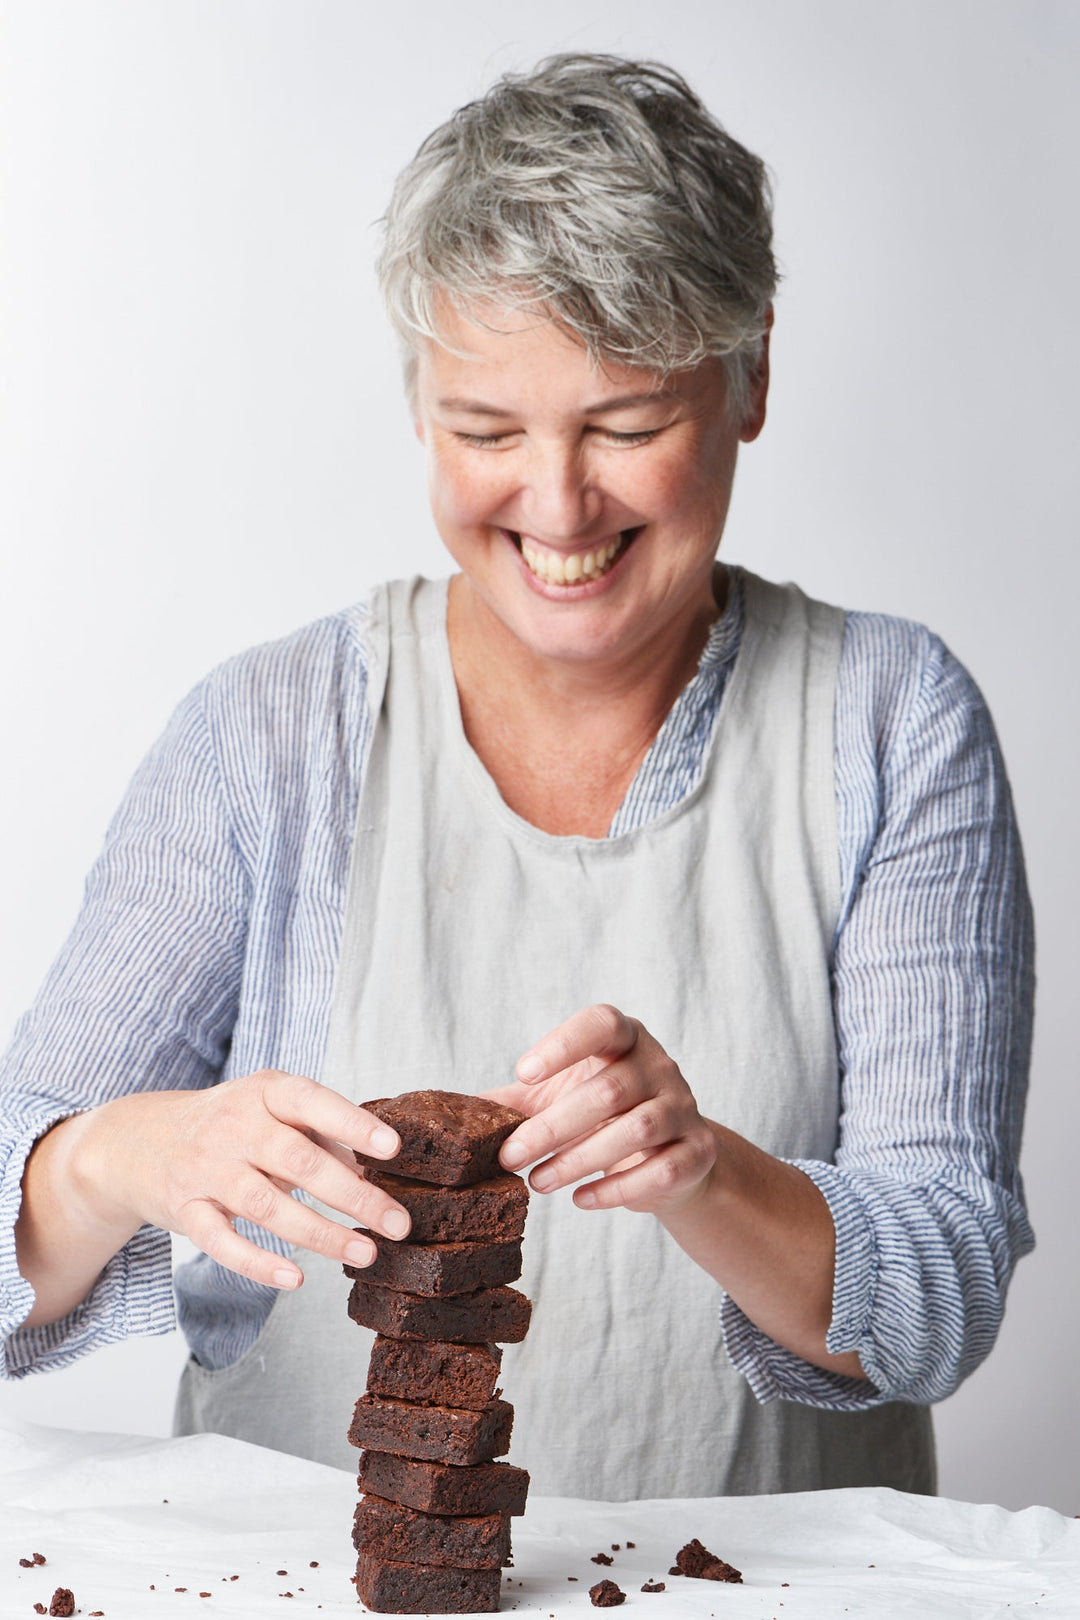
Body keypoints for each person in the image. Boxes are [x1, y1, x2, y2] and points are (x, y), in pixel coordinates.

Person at [0, 54, 1033, 1499]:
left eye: (627, 426)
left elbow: (943, 1303)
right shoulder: (268, 733)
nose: (557, 507)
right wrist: (121, 1155)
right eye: (488, 431)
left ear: (751, 380)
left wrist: (703, 1173)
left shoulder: (892, 721)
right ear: (422, 402)